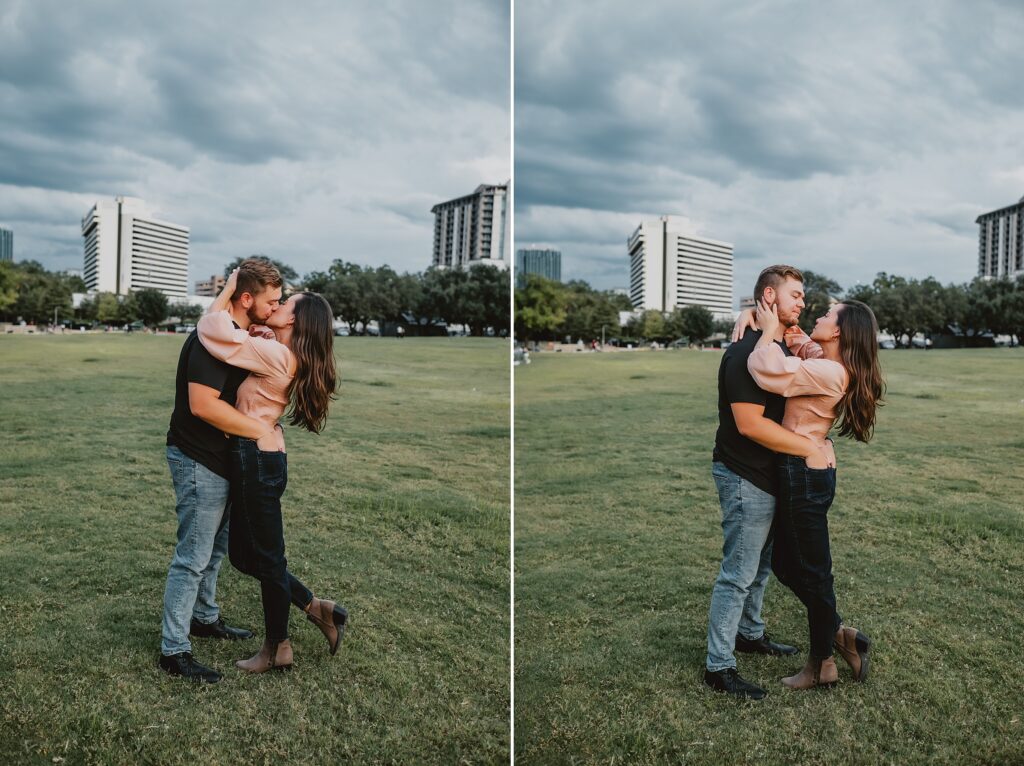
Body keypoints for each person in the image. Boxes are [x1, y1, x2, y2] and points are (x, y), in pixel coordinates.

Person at [196, 268, 348, 674]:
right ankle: (317, 608)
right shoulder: (278, 347)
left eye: (286, 304)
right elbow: (256, 341)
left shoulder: (278, 355)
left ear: (295, 320)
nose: (278, 305)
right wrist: (262, 331)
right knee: (247, 556)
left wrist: (230, 289)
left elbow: (212, 330)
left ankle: (278, 647)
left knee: (266, 557)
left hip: (257, 459)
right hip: (260, 457)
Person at [737, 297, 883, 690]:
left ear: (838, 331)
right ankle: (839, 634)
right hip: (804, 469)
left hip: (805, 472)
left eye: (827, 314)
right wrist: (753, 314)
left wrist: (766, 332)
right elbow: (802, 341)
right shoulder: (826, 361)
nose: (817, 314)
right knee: (786, 563)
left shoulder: (828, 372)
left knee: (815, 575)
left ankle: (822, 665)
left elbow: (765, 367)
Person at [704, 265, 833, 701]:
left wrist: (759, 320)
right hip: (745, 475)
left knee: (759, 568)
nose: (803, 302)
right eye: (795, 295)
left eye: (803, 296)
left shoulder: (775, 346)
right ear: (768, 296)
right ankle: (718, 667)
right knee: (738, 573)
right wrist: (807, 448)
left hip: (771, 476)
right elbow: (749, 425)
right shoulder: (744, 354)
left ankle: (750, 633)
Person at [159, 259, 284, 683]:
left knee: (213, 551)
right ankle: (173, 651)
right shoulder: (209, 340)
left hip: (224, 458)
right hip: (198, 458)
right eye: (271, 302)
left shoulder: (231, 332)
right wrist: (260, 430)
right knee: (192, 557)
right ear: (246, 299)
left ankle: (204, 617)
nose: (275, 308)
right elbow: (203, 405)